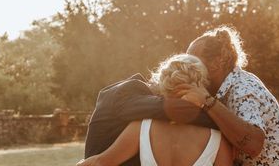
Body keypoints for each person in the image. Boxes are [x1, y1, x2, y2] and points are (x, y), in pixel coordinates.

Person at [78, 54, 233, 166]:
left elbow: (101, 162)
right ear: (202, 87)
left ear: (164, 86)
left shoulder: (141, 127)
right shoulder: (218, 138)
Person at [178, 26, 279, 166]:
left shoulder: (243, 91)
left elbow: (253, 145)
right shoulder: (228, 87)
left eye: (193, 63)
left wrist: (207, 101)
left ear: (216, 63)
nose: (188, 69)